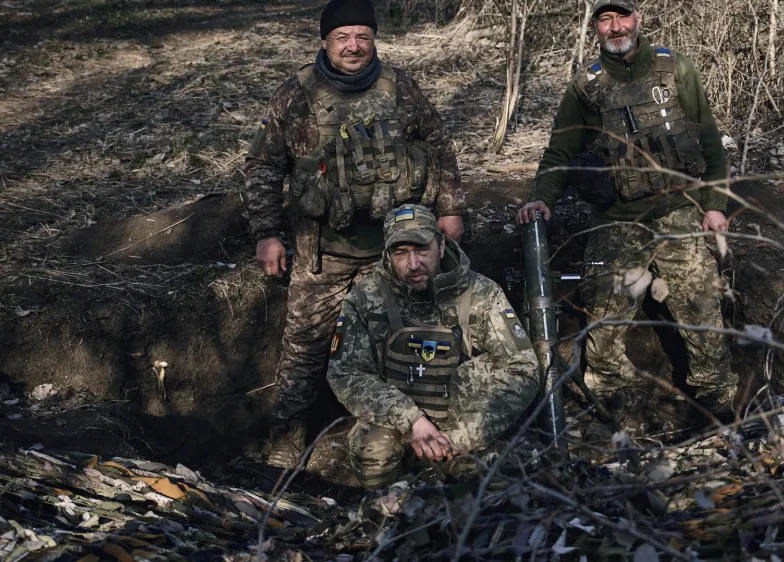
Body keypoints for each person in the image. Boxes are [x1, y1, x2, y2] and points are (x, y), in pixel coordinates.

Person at [244, 0, 466, 468]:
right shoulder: (295, 94)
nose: (353, 46)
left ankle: (412, 445)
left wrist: (449, 210)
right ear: (324, 41)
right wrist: (267, 233)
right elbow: (263, 165)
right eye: (342, 36)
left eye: (362, 36)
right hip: (322, 251)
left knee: (408, 342)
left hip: (396, 249)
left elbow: (437, 145)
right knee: (305, 348)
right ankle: (285, 451)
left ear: (374, 39)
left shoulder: (400, 86)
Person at [516, 0, 735, 414]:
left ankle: (718, 406)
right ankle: (614, 410)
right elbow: (560, 151)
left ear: (638, 19)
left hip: (678, 213)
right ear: (596, 27)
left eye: (623, 17)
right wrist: (541, 198)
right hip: (615, 220)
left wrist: (714, 206)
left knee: (705, 315)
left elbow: (709, 143)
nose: (616, 28)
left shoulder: (676, 70)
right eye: (605, 19)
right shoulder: (586, 86)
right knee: (603, 332)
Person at [328, 204, 539, 488]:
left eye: (422, 250)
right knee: (373, 451)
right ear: (388, 256)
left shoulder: (482, 293)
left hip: (464, 426)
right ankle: (394, 512)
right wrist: (411, 420)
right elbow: (345, 373)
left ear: (441, 246)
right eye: (401, 253)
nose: (413, 264)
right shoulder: (365, 299)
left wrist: (461, 438)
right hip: (400, 427)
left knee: (496, 477)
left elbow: (523, 368)